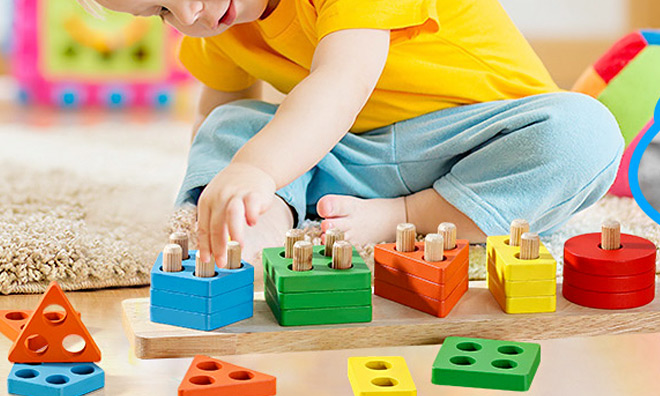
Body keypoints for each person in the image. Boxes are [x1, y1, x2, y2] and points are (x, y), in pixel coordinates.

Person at [85, 0, 624, 268]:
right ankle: (259, 229)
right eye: (159, 10)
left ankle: (407, 219)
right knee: (232, 129)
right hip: (351, 159)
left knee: (585, 133)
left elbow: (342, 79)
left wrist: (256, 168)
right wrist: (232, 185)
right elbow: (220, 109)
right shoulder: (215, 27)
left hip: (475, 146)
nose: (189, 12)